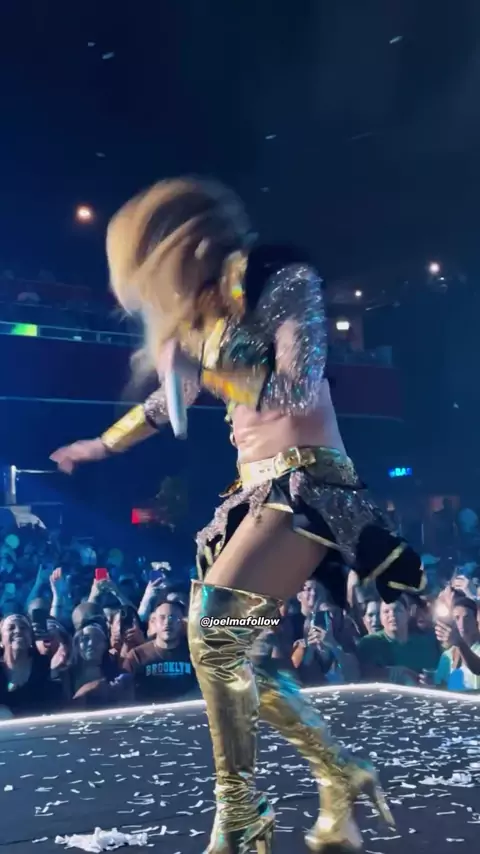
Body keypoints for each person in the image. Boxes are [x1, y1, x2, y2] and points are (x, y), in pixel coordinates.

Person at [51, 178, 425, 853]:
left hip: (310, 484)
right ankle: (338, 771)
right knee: (230, 649)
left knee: (213, 632)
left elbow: (297, 387)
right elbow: (168, 403)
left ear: (177, 247)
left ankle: (244, 815)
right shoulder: (203, 316)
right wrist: (101, 445)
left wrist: (205, 362)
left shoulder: (284, 280)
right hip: (253, 492)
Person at [123, 599, 198, 703]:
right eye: (162, 617)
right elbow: (124, 695)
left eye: (173, 617)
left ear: (182, 623)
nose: (168, 622)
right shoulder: (137, 656)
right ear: (154, 622)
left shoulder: (194, 653)